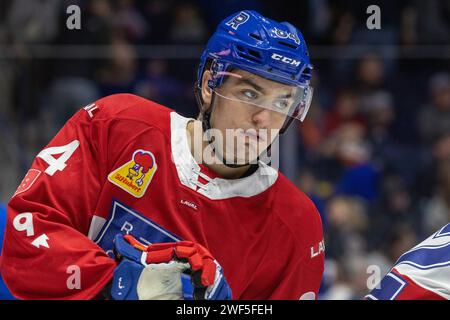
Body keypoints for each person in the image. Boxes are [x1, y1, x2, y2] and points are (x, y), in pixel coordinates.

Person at [0, 10, 324, 300]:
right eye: (250, 92)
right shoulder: (115, 124)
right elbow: (28, 233)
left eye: (281, 102)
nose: (263, 118)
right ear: (211, 84)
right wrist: (120, 286)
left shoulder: (296, 226)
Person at [366, 223, 450, 300]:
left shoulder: (410, 261)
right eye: (405, 245)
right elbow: (362, 286)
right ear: (394, 245)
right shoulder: (375, 262)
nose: (409, 248)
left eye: (411, 245)